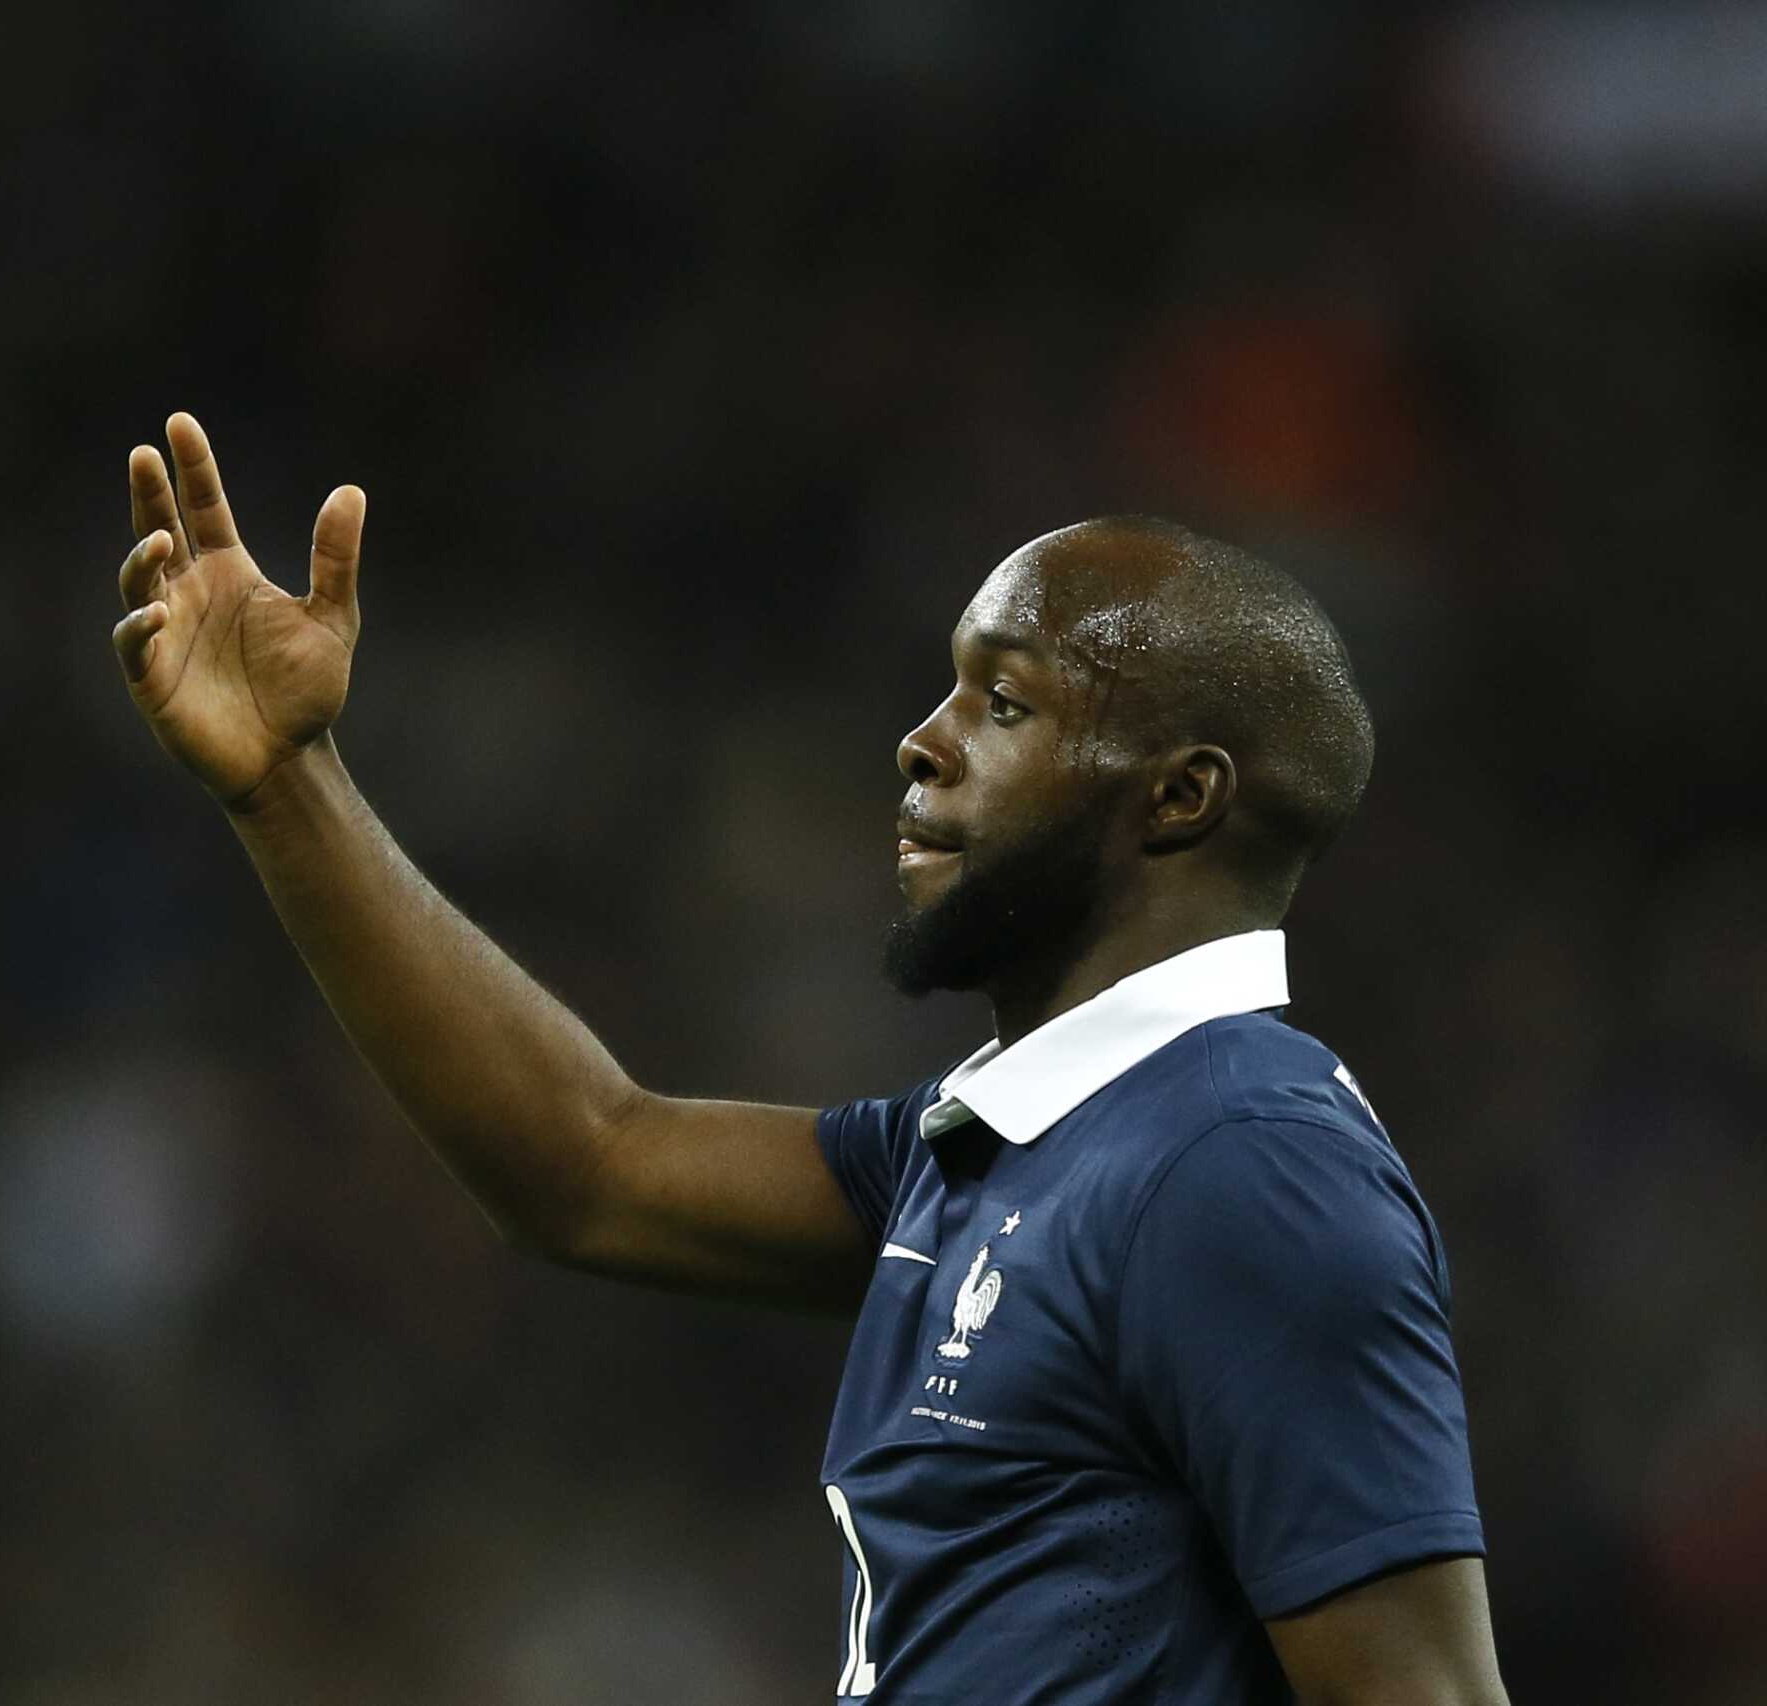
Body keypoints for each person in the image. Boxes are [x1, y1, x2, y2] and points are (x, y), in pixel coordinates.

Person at [105, 412, 1508, 1704]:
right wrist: (286, 782)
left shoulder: (1244, 1166)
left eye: (1004, 703)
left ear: (1183, 794)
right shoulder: (1003, 1142)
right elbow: (590, 1164)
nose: (923, 741)